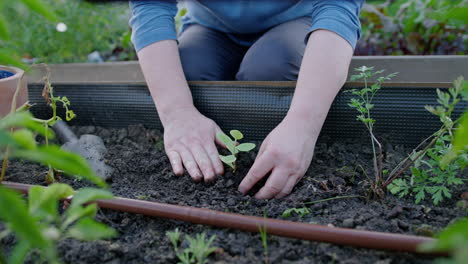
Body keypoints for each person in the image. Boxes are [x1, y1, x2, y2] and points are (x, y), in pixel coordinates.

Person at [129, 0, 364, 199]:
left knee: (269, 69)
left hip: (298, 18)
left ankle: (276, 153)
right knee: (188, 71)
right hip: (210, 25)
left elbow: (338, 8)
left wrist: (303, 126)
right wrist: (177, 113)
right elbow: (150, 6)